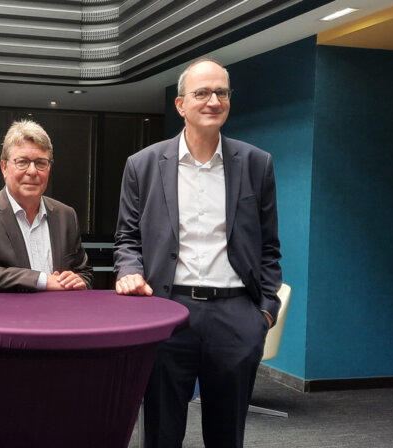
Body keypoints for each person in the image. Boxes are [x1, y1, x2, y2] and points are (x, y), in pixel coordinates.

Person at [113, 58, 282, 448]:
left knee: (227, 436)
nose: (213, 100)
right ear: (181, 104)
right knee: (161, 432)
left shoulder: (257, 163)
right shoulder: (143, 165)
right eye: (202, 92)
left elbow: (269, 246)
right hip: (169, 312)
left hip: (237, 316)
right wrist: (129, 270)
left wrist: (264, 313)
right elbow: (127, 239)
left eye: (221, 92)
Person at [0, 119, 93, 292]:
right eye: (22, 162)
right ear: (4, 167)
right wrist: (41, 280)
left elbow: (84, 272)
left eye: (41, 163)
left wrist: (77, 280)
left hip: (60, 316)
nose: (32, 171)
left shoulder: (66, 215)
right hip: (5, 317)